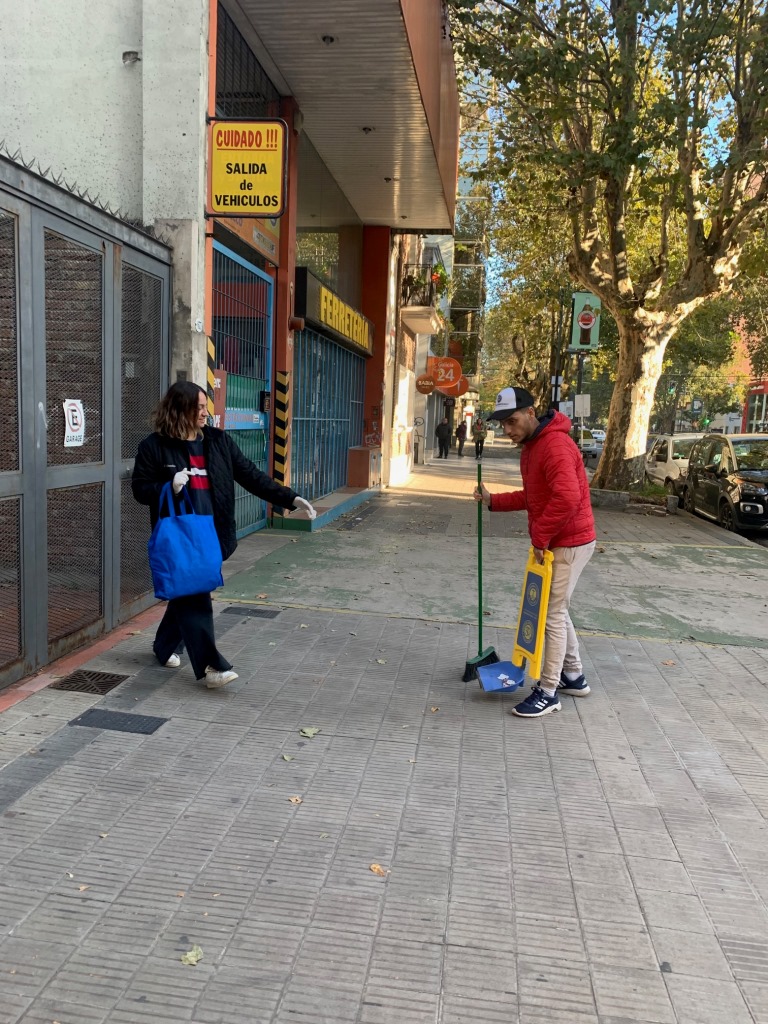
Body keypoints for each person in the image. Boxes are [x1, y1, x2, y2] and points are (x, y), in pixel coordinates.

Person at [132, 381, 316, 688]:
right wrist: (170, 486)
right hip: (181, 536)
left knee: (188, 592)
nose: (206, 413)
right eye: (200, 408)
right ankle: (212, 666)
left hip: (215, 536)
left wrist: (290, 498)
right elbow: (140, 489)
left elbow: (250, 475)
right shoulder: (153, 446)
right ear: (180, 410)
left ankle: (165, 645)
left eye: (206, 407)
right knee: (196, 596)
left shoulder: (218, 442)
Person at [473, 386, 596, 718]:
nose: (508, 431)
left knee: (551, 614)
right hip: (561, 539)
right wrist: (493, 500)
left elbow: (567, 500)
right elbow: (535, 497)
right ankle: (574, 676)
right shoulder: (533, 446)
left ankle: (548, 690)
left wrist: (540, 539)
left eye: (512, 422)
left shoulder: (554, 446)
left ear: (530, 412)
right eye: (503, 425)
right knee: (557, 609)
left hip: (569, 542)